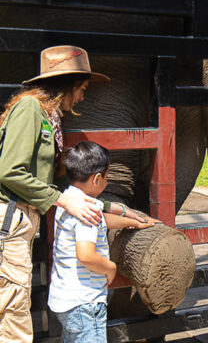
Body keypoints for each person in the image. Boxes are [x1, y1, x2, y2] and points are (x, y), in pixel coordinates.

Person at [0, 45, 147, 342]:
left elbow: (51, 185)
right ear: (65, 85)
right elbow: (9, 171)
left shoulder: (48, 117)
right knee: (13, 308)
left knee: (15, 301)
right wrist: (63, 200)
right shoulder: (29, 108)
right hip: (11, 217)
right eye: (81, 88)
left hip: (22, 219)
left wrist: (112, 207)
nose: (82, 97)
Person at [48, 141, 155, 342]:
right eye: (107, 177)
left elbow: (103, 220)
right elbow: (86, 255)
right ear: (97, 179)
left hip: (65, 300)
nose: (107, 182)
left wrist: (131, 223)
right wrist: (110, 268)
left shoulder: (69, 200)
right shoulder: (87, 211)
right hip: (85, 304)